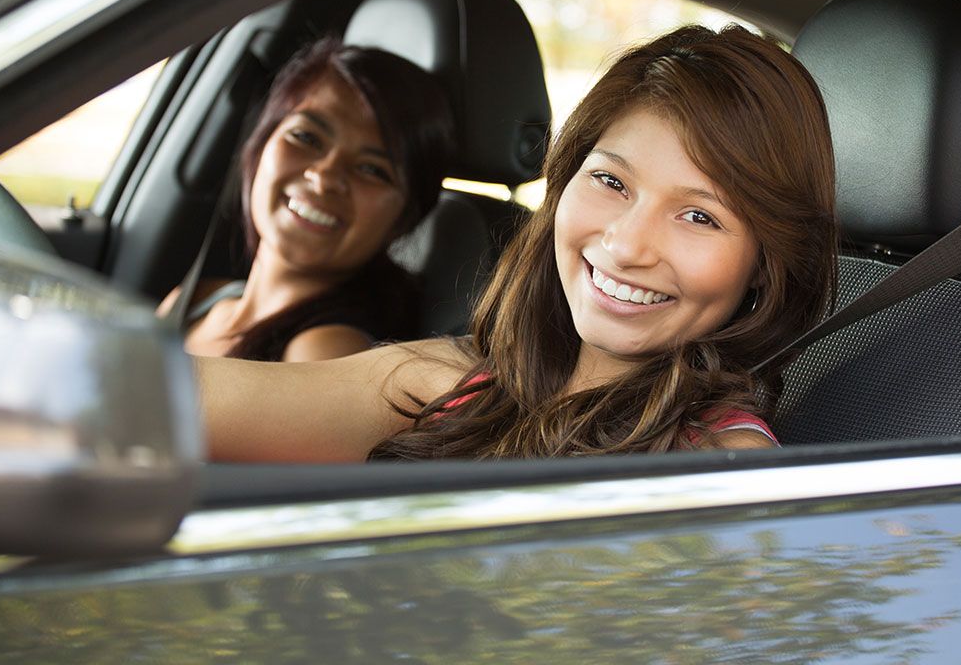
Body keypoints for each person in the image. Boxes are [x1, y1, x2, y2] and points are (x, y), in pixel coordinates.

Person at [198, 25, 838, 460]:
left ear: (764, 264)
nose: (625, 245)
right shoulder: (454, 383)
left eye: (700, 217)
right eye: (611, 180)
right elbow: (181, 400)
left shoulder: (722, 464)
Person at [161, 37, 453, 362]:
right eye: (306, 137)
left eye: (372, 169)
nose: (325, 176)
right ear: (260, 146)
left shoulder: (326, 354)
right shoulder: (198, 299)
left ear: (404, 218)